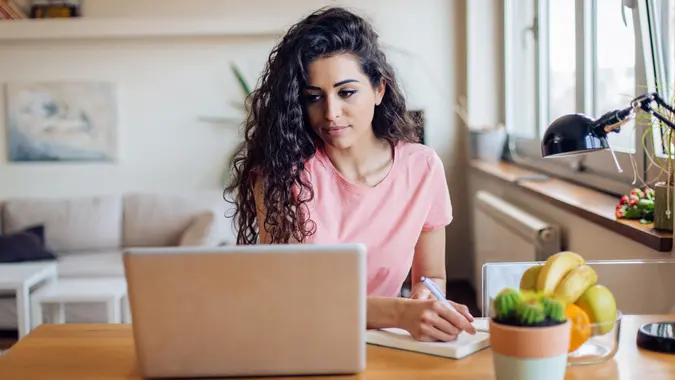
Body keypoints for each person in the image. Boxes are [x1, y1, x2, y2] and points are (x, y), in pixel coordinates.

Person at [224, 6, 476, 342]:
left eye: (346, 92)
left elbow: (430, 277)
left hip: (385, 343)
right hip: (298, 341)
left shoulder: (422, 168)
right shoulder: (281, 175)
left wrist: (426, 302)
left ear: (378, 90)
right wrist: (401, 312)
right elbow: (292, 298)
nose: (330, 113)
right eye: (314, 97)